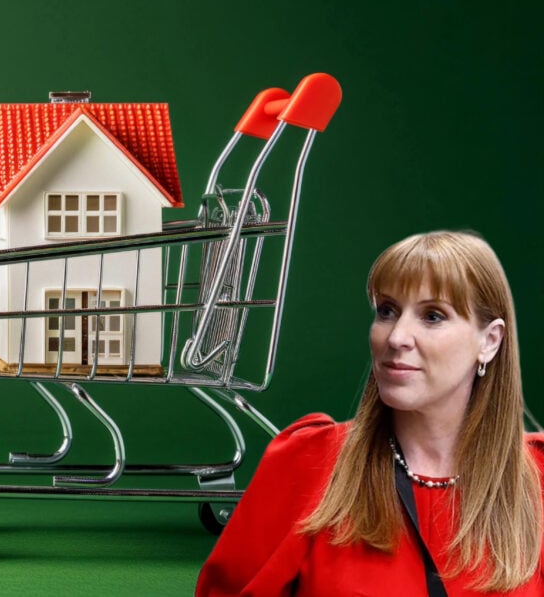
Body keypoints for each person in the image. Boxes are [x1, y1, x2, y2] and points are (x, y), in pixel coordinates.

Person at [196, 230, 544, 597]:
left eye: (433, 316)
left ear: (489, 341)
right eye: (387, 311)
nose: (396, 337)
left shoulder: (537, 478)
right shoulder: (308, 463)